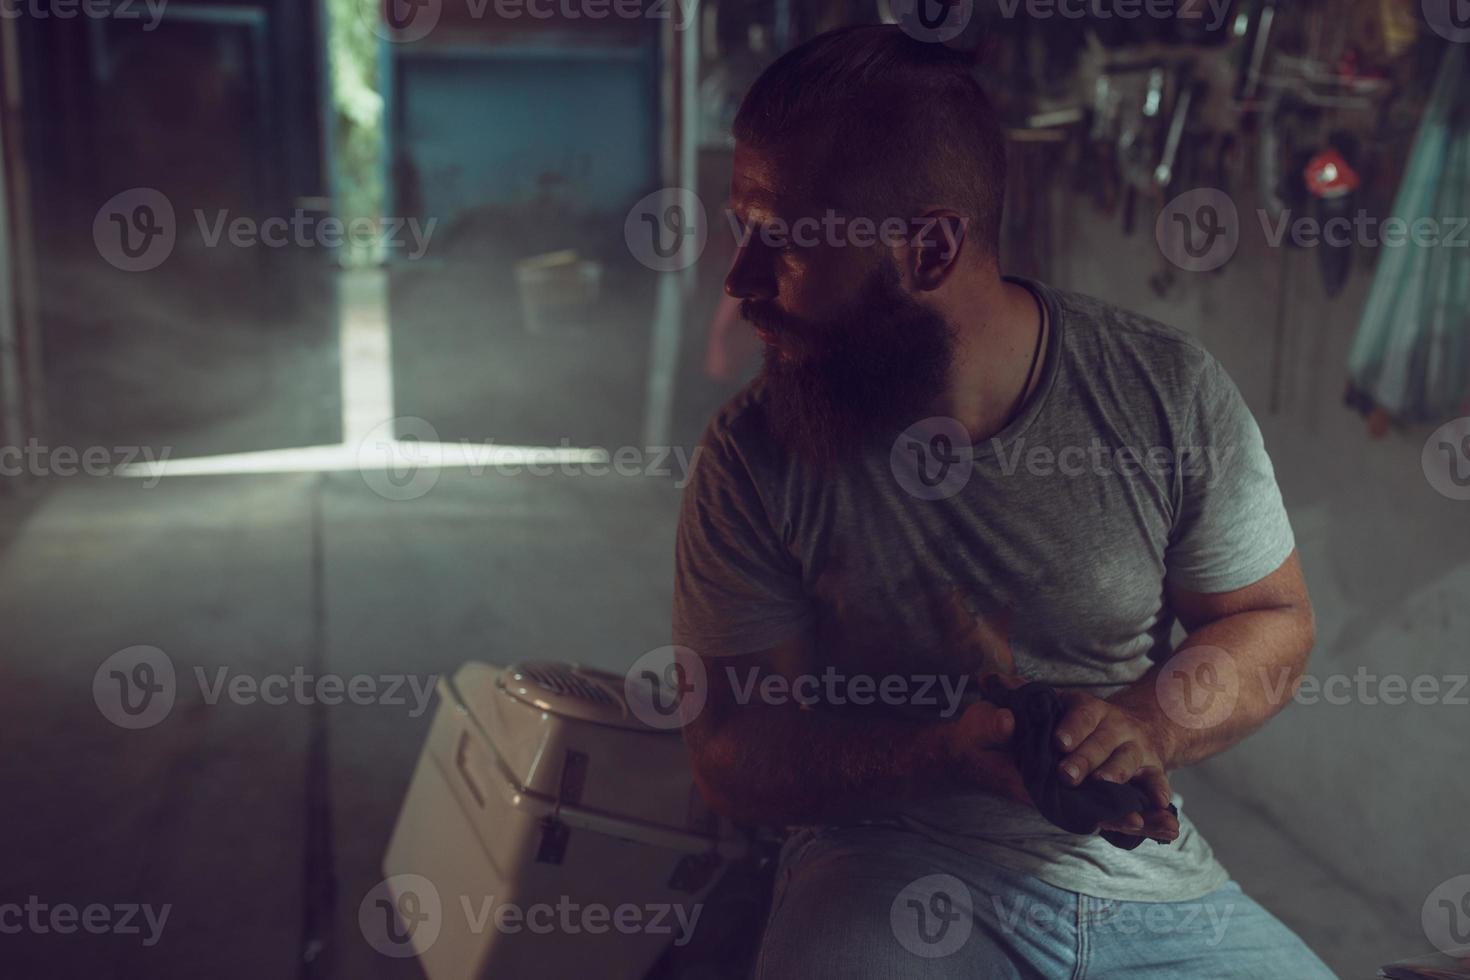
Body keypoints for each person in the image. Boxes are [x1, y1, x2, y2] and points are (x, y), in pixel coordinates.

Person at [670, 24, 1336, 980]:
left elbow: (1270, 619)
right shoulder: (752, 456)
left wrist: (1143, 723)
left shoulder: (1166, 393)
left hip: (1143, 887)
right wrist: (936, 755)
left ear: (931, 248)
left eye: (784, 242)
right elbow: (729, 748)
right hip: (883, 867)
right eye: (745, 231)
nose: (738, 283)